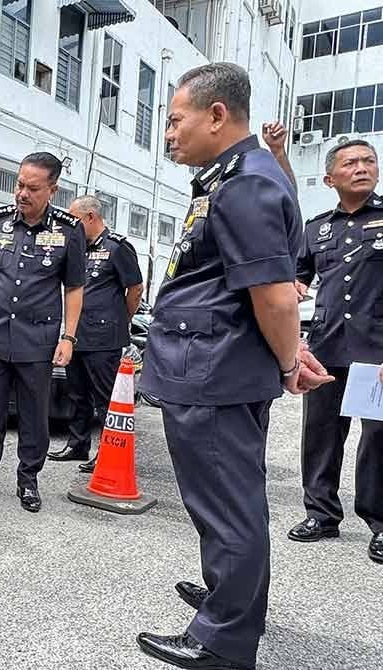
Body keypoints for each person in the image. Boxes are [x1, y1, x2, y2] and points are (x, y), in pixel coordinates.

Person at [135, 63, 334, 670]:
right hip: (213, 365)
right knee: (232, 501)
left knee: (227, 504)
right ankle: (235, 598)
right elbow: (258, 291)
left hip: (213, 372)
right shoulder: (236, 178)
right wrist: (285, 354)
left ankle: (223, 638)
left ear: (217, 115)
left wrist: (286, 362)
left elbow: (275, 296)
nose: (168, 132)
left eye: (175, 119)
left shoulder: (246, 182)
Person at [0, 152, 86, 513]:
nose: (22, 193)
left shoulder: (68, 231)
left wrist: (68, 337)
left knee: (33, 416)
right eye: (19, 184)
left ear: (52, 189)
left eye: (32, 187)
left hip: (37, 341)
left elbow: (74, 288)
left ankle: (28, 481)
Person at [291, 139, 383, 565]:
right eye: (351, 162)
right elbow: (296, 281)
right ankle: (322, 514)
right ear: (330, 179)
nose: (362, 167)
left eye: (369, 161)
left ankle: (380, 523)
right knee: (321, 434)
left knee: (379, 439)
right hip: (327, 347)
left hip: (376, 352)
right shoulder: (317, 228)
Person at [47, 195, 143, 473]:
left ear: (91, 217)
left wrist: (121, 319)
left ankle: (108, 450)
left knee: (105, 398)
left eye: (75, 221)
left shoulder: (117, 248)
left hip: (104, 338)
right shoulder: (78, 249)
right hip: (77, 335)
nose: (71, 227)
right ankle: (77, 445)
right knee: (77, 394)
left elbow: (135, 289)